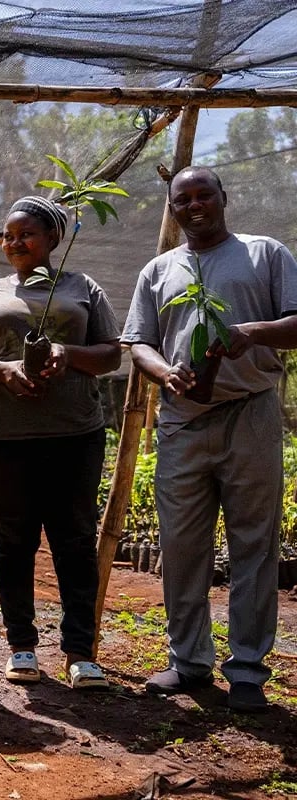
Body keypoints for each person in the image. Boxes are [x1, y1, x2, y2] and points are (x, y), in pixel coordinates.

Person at [123, 166, 297, 713]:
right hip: (182, 421)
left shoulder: (264, 253)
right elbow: (139, 343)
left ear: (225, 197)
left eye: (204, 195)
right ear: (172, 209)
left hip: (251, 414)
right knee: (180, 547)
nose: (195, 205)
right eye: (183, 199)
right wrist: (164, 373)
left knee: (254, 544)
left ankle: (247, 669)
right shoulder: (159, 270)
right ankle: (190, 662)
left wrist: (251, 333)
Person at [0, 196, 122, 690]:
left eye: (26, 234)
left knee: (74, 540)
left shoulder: (83, 288)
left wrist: (65, 352)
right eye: (9, 236)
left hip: (75, 433)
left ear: (53, 239)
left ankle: (80, 651)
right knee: (13, 542)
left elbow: (111, 355)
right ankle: (22, 646)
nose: (14, 243)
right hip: (3, 437)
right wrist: (4, 369)